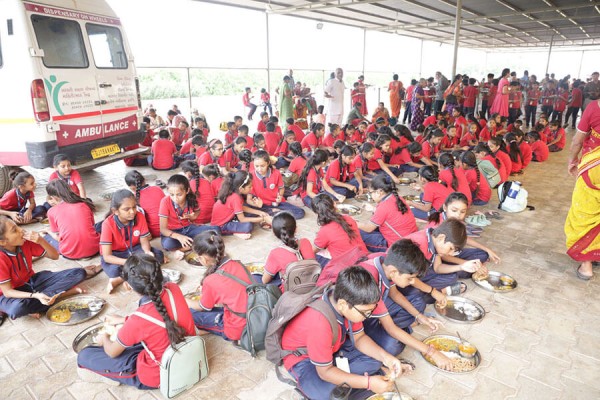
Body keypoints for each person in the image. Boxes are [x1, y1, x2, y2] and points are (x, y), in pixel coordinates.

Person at [280, 266, 404, 400]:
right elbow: (325, 372)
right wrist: (368, 383)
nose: (367, 316)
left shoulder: (348, 302)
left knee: (376, 360)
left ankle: (356, 382)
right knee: (329, 395)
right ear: (343, 305)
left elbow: (360, 338)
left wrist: (387, 358)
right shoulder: (320, 323)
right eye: (365, 312)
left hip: (332, 348)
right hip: (303, 360)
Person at [77, 254, 195, 388]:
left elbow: (112, 352)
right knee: (135, 343)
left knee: (85, 355)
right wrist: (124, 320)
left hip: (159, 375)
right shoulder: (173, 288)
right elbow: (157, 318)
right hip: (189, 357)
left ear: (128, 286)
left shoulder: (137, 321)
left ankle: (112, 376)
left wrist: (104, 338)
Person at [0, 216, 99, 321]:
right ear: (2, 242)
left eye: (18, 226)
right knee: (18, 309)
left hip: (32, 281)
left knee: (79, 273)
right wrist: (35, 295)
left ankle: (38, 304)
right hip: (10, 295)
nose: (21, 230)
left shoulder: (24, 241)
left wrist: (41, 240)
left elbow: (54, 256)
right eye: (14, 230)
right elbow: (8, 292)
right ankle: (59, 295)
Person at [186, 231, 252, 342]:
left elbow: (201, 307)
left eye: (198, 258)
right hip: (254, 314)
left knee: (190, 313)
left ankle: (212, 328)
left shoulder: (211, 280)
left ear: (204, 259)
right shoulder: (236, 263)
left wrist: (184, 300)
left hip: (239, 328)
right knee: (216, 309)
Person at [100, 190, 164, 294]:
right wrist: (131, 262)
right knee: (114, 270)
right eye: (127, 209)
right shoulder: (107, 224)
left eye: (134, 207)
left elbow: (144, 241)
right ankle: (131, 273)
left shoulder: (139, 216)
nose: (132, 211)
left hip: (134, 249)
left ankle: (119, 279)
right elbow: (107, 256)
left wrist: (147, 252)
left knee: (158, 255)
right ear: (115, 211)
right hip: (116, 254)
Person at [565, 96, 600, 279]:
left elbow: (577, 141)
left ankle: (586, 265)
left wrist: (572, 160)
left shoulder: (594, 107)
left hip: (594, 168)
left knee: (584, 213)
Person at [427, 193, 499, 265]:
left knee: (483, 253)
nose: (458, 215)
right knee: (453, 274)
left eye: (462, 212)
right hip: (437, 258)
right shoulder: (436, 224)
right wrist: (466, 263)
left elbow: (464, 239)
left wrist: (487, 249)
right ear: (445, 208)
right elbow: (441, 255)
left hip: (449, 252)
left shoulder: (455, 221)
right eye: (454, 210)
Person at [159, 175, 218, 257]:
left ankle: (184, 248)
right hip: (172, 232)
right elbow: (163, 229)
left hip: (188, 228)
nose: (175, 198)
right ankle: (196, 244)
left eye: (179, 194)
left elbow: (197, 212)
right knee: (168, 244)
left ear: (187, 191)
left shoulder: (191, 199)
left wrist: (192, 217)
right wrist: (179, 237)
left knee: (215, 230)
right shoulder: (165, 201)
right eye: (172, 194)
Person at [358, 175, 417, 252]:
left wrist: (354, 222)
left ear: (380, 192)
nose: (371, 195)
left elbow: (369, 228)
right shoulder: (397, 198)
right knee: (373, 228)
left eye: (371, 192)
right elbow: (389, 214)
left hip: (397, 246)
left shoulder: (383, 207)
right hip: (410, 237)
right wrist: (373, 209)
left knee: (358, 232)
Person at [44, 179, 100, 259]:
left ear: (53, 197)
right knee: (98, 227)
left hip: (71, 253)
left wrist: (48, 231)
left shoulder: (51, 211)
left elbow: (58, 237)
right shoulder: (84, 204)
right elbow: (92, 226)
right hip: (95, 248)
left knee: (46, 238)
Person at [211, 171, 272, 239]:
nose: (251, 188)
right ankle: (233, 232)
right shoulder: (235, 197)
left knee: (253, 214)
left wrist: (259, 212)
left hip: (231, 217)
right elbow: (242, 219)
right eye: (249, 187)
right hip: (221, 225)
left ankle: (237, 228)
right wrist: (263, 219)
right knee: (248, 226)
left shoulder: (235, 192)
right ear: (241, 188)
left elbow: (241, 207)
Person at [262, 212, 315, 289]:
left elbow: (265, 280)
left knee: (257, 278)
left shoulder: (275, 253)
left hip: (291, 291)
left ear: (274, 233)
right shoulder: (305, 242)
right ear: (296, 228)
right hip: (311, 283)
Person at [312, 194, 368, 267]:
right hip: (365, 258)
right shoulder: (348, 218)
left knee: (313, 256)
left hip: (349, 269)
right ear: (334, 204)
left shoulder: (324, 231)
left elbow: (313, 250)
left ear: (316, 213)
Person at [250, 150, 305, 219]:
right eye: (256, 166)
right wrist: (256, 202)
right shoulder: (251, 176)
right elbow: (250, 196)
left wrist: (280, 196)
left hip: (276, 203)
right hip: (261, 205)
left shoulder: (276, 173)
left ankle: (274, 212)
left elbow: (281, 188)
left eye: (262, 166)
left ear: (268, 163)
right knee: (250, 212)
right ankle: (275, 213)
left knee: (300, 212)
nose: (259, 169)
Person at [125, 171, 165, 238]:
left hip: (155, 231)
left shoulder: (133, 199)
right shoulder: (157, 189)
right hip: (169, 227)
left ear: (131, 187)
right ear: (144, 179)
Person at [179, 161, 215, 225]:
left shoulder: (190, 184)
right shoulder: (206, 181)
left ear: (188, 173)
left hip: (199, 218)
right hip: (212, 215)